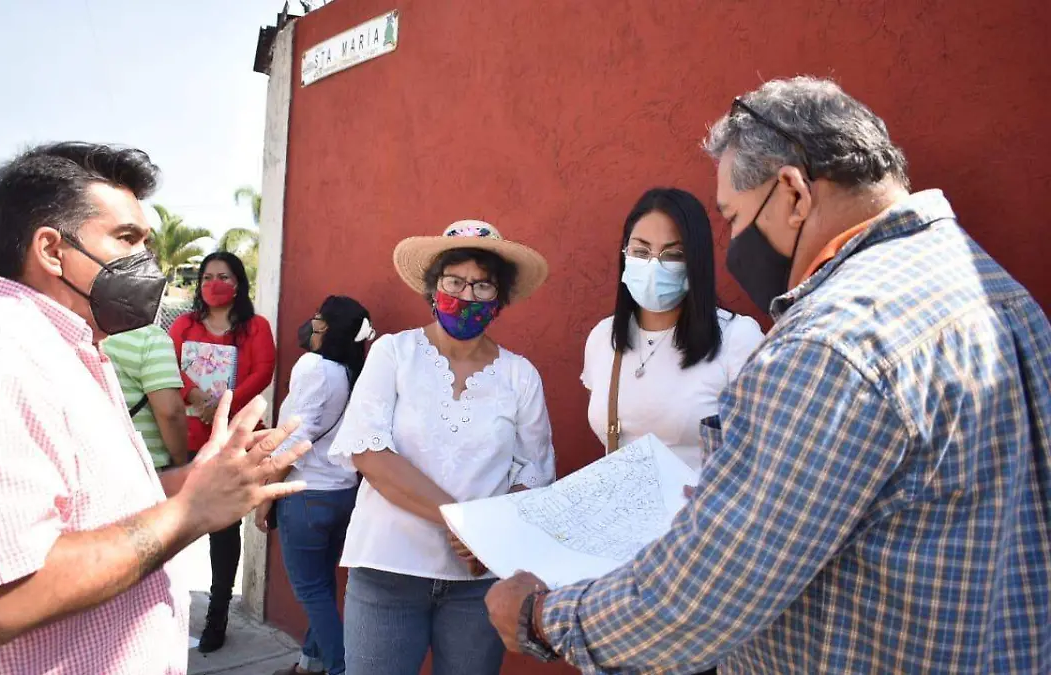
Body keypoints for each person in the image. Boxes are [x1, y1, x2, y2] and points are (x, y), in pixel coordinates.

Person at [486, 76, 1051, 673]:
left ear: (793, 193)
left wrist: (544, 618)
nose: (734, 241)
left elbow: (709, 592)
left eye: (733, 216)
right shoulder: (1000, 293)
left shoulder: (830, 341)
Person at [0, 142, 309, 675]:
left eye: (146, 243)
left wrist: (199, 480)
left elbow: (90, 508)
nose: (147, 263)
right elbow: (5, 598)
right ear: (51, 250)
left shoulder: (67, 351)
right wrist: (191, 511)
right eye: (127, 239)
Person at [331, 221, 556, 675]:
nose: (467, 295)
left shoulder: (520, 375)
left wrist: (489, 534)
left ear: (499, 299)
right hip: (388, 568)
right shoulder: (394, 353)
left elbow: (534, 474)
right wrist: (462, 522)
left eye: (482, 285)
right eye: (454, 281)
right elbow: (370, 453)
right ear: (433, 288)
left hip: (479, 583)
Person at [582, 187, 763, 468]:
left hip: (703, 496)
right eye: (641, 251)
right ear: (625, 254)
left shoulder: (737, 338)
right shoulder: (603, 338)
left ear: (696, 263)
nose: (653, 265)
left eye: (673, 254)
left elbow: (766, 448)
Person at [257, 296, 375, 675]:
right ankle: (310, 664)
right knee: (323, 587)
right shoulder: (353, 373)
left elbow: (296, 437)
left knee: (311, 591)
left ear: (328, 328)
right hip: (343, 493)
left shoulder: (314, 366)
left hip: (304, 494)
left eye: (318, 318)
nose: (312, 323)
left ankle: (342, 669)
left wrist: (266, 495)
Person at [168, 250, 277, 653]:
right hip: (187, 437)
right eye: (208, 277)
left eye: (224, 276)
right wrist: (196, 396)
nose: (215, 283)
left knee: (225, 531)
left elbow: (263, 371)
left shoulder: (256, 327)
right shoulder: (183, 325)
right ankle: (166, 608)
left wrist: (223, 403)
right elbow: (168, 365)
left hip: (233, 439)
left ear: (239, 284)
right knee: (175, 526)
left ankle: (217, 615)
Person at [102, 323, 190, 471]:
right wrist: (181, 463)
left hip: (87, 461)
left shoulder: (75, 332)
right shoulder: (149, 337)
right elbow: (170, 412)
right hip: (142, 465)